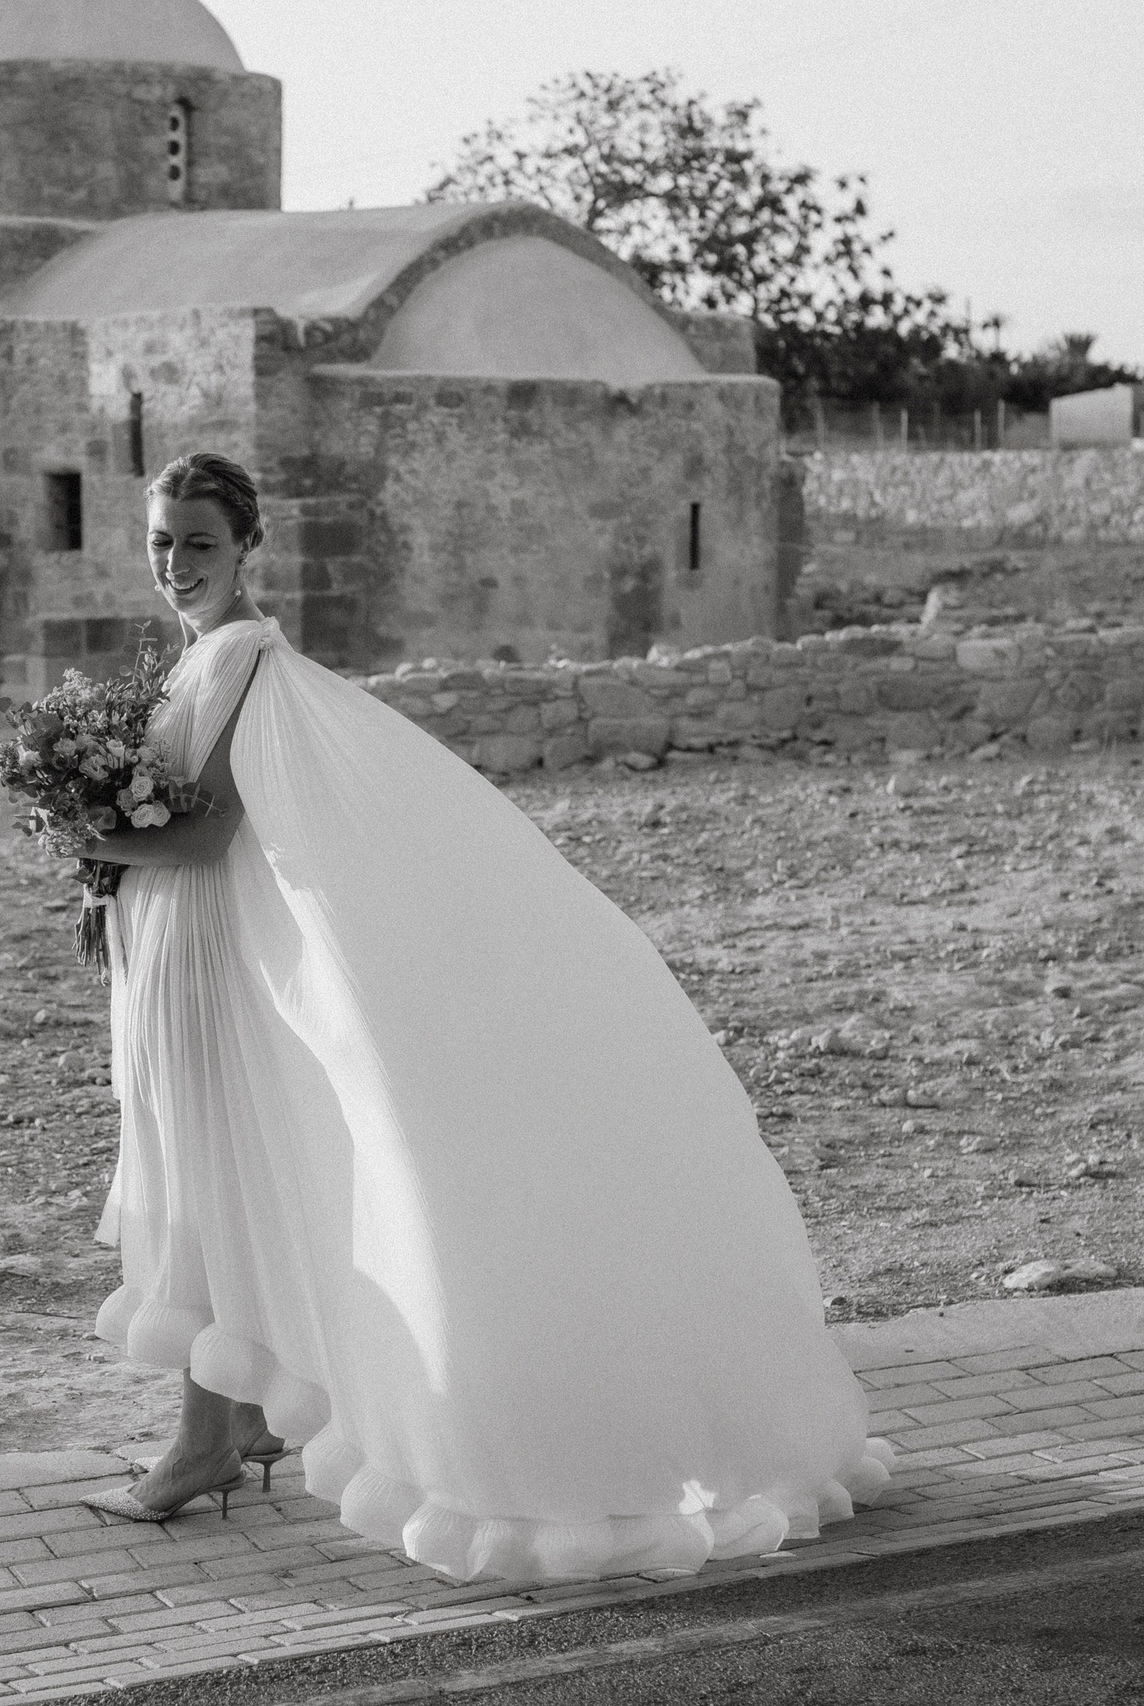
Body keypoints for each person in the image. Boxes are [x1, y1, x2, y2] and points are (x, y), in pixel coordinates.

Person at [70, 451, 890, 1583]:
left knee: (221, 1178)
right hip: (186, 958)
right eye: (160, 540)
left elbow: (207, 833)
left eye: (198, 543)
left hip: (209, 963)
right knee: (222, 1181)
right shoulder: (195, 662)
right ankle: (237, 1418)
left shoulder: (245, 662)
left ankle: (206, 1440)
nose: (175, 564)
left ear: (249, 547)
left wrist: (87, 838)